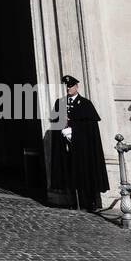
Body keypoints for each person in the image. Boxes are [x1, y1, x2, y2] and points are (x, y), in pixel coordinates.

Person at [49, 74, 109, 211]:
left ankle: (88, 201)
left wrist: (74, 131)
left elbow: (90, 126)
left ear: (77, 86)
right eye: (66, 86)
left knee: (85, 172)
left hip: (83, 148)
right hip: (67, 146)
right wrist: (63, 131)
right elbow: (55, 121)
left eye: (70, 86)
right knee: (69, 172)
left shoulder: (85, 104)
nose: (68, 88)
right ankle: (72, 201)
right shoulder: (60, 103)